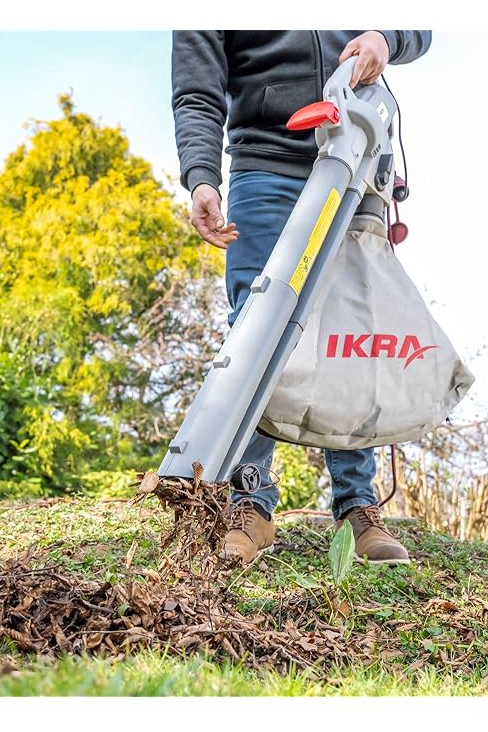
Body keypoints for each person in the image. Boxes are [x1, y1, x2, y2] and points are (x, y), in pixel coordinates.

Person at [171, 29, 433, 566]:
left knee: (354, 330)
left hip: (356, 157)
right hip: (265, 167)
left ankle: (357, 506)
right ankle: (250, 503)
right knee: (255, 331)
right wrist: (202, 178)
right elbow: (197, 90)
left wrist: (386, 37)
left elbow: (418, 26)